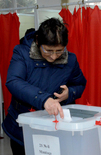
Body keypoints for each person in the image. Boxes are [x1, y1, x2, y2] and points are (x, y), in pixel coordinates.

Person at [2, 18, 87, 155]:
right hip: (22, 129)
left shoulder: (70, 59)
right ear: (37, 41)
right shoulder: (22, 53)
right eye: (48, 50)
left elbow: (80, 84)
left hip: (55, 127)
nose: (53, 56)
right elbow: (13, 81)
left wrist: (70, 92)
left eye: (59, 51)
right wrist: (44, 99)